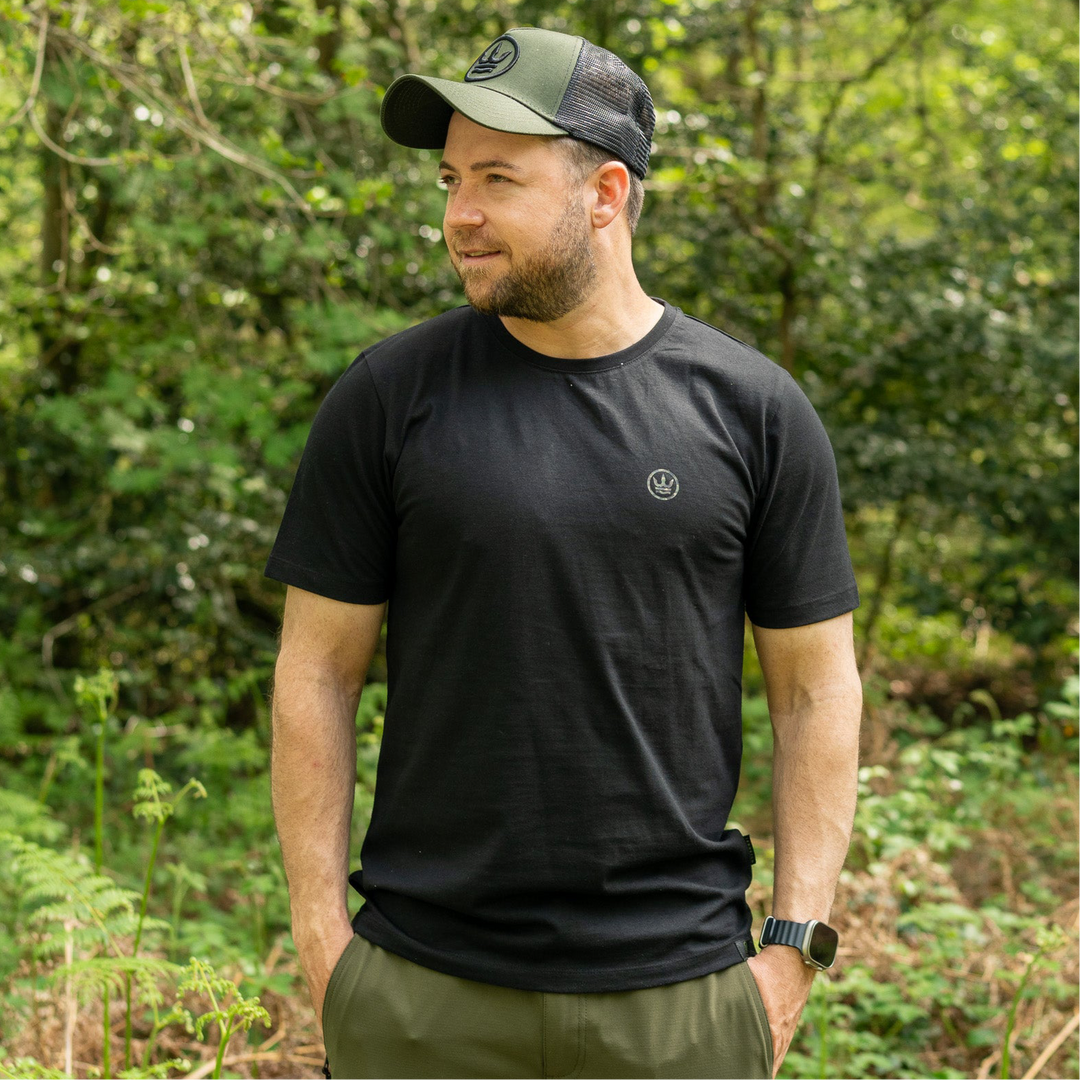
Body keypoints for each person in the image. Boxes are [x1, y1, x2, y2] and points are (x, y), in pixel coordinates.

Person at [267, 25, 863, 1080]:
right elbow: (317, 670)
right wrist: (323, 944)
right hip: (421, 997)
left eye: (497, 178)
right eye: (451, 179)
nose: (458, 214)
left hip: (680, 1005)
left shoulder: (754, 411)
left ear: (605, 193)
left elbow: (816, 691)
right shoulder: (387, 398)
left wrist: (792, 949)